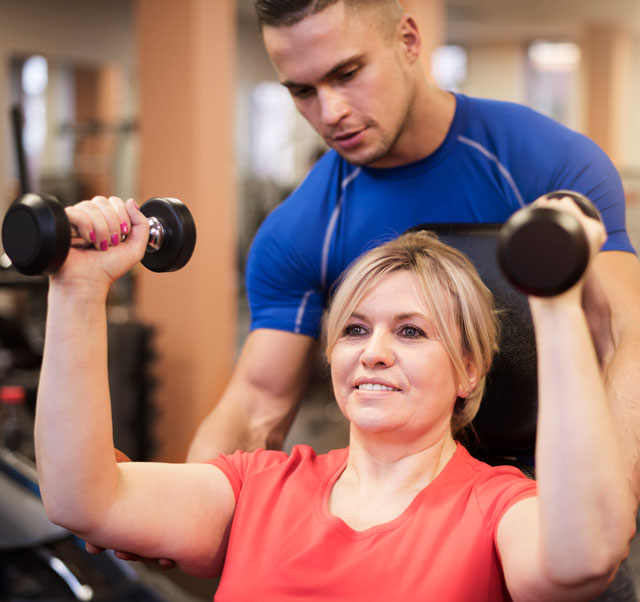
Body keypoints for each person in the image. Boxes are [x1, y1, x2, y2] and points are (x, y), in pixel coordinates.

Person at [35, 196, 636, 602]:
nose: (373, 350)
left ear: (469, 370)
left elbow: (582, 558)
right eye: (354, 328)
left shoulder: (499, 509)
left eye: (410, 331)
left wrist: (555, 304)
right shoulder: (256, 488)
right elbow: (82, 498)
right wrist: (78, 291)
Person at [186, 0, 640, 513]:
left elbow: (629, 333)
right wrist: (182, 506)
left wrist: (608, 497)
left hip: (558, 493)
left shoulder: (547, 161)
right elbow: (255, 407)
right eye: (303, 91)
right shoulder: (300, 229)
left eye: (348, 73)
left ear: (407, 41)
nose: (330, 111)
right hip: (407, 512)